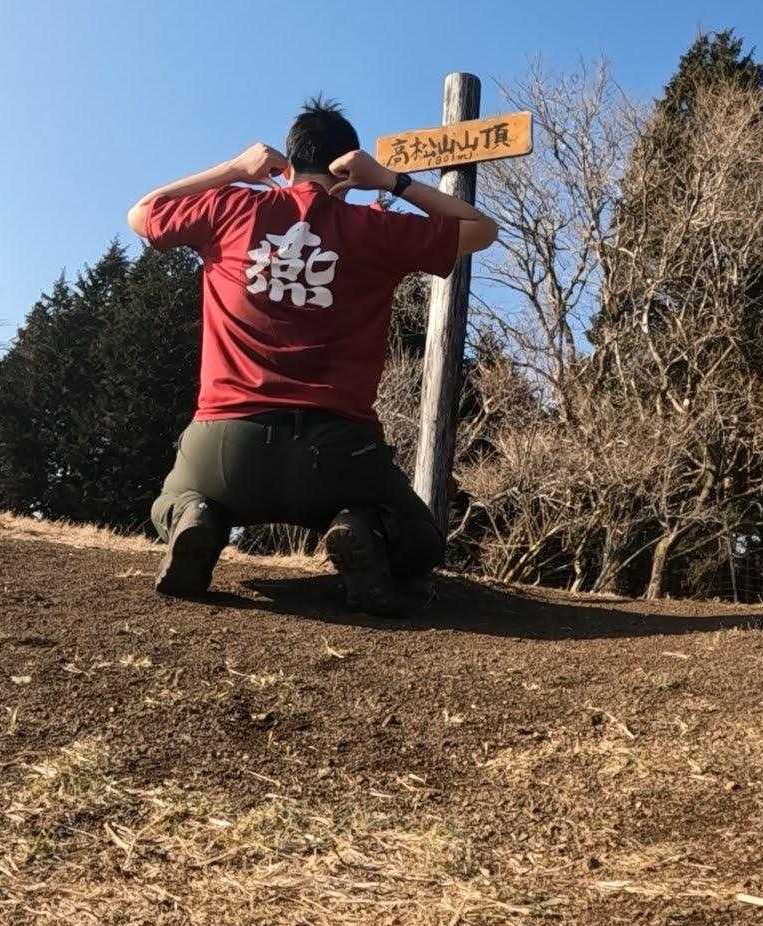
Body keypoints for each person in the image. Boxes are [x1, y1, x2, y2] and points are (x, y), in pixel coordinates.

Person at [126, 97, 498, 615]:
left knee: (174, 498)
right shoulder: (376, 228)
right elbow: (482, 229)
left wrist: (233, 168)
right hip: (339, 454)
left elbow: (142, 213)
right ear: (346, 168)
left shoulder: (230, 209)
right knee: (418, 538)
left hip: (224, 447)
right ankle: (360, 525)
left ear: (290, 162)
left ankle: (197, 517)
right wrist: (390, 181)